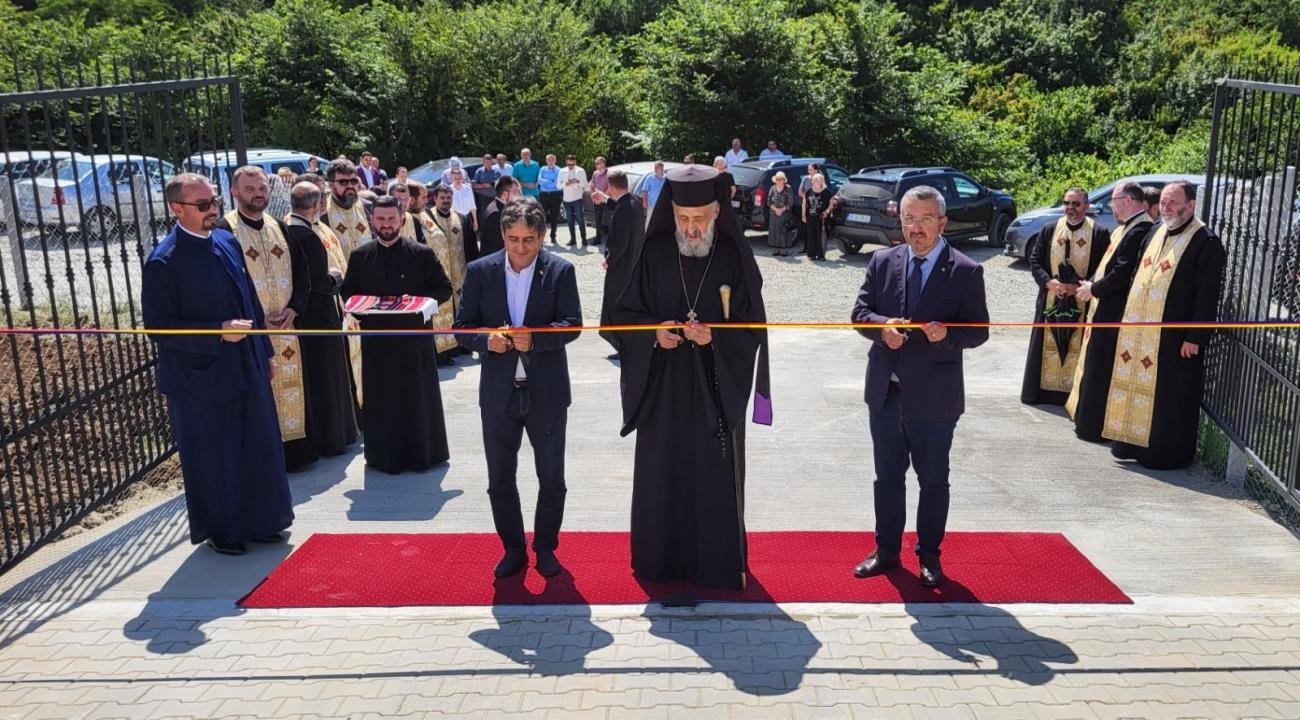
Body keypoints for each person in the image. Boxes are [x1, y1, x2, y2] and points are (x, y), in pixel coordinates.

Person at [613, 165, 773, 590]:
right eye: (683, 218)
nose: (691, 227)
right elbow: (620, 319)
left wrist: (715, 337)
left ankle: (716, 565)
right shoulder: (654, 252)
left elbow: (752, 326)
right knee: (661, 471)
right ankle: (658, 562)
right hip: (662, 386)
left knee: (712, 473)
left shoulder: (734, 256)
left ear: (717, 211)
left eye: (699, 218)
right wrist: (652, 334)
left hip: (714, 387)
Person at [142, 173, 293, 556]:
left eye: (214, 202)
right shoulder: (164, 261)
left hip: (246, 362)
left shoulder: (226, 241)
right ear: (177, 209)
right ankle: (223, 529)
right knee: (215, 454)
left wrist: (265, 351)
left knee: (257, 445)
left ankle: (263, 521)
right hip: (200, 376)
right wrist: (216, 332)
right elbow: (159, 329)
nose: (214, 211)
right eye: (204, 205)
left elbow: (249, 301)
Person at [850, 185, 990, 588]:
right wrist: (881, 329)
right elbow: (860, 313)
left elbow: (978, 331)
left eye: (926, 219)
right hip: (886, 394)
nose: (916, 228)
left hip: (935, 398)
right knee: (887, 479)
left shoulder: (965, 270)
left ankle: (929, 556)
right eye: (909, 219)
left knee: (933, 481)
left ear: (942, 223)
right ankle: (886, 551)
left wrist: (947, 335)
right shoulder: (881, 261)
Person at [454, 196, 582, 578]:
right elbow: (461, 329)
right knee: (499, 479)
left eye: (529, 239)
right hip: (498, 392)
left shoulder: (560, 271)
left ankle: (545, 547)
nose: (521, 247)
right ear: (503, 235)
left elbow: (572, 324)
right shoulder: (480, 271)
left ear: (542, 236)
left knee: (552, 477)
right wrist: (485, 340)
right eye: (513, 238)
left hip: (546, 392)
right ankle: (513, 548)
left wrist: (537, 339)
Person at [1104, 182, 1226, 469]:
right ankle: (1130, 445)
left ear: (1191, 205)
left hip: (1174, 339)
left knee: (1168, 399)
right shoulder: (1156, 232)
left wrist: (1195, 336)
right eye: (1164, 201)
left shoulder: (1205, 242)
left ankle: (1163, 455)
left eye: (1173, 202)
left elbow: (1207, 295)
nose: (1166, 206)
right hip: (1138, 335)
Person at [341, 196, 454, 473]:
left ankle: (423, 455)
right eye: (380, 219)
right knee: (382, 400)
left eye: (391, 219)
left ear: (402, 220)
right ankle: (384, 458)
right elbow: (348, 293)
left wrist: (419, 302)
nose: (386, 224)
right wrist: (361, 307)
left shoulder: (421, 253)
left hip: (414, 343)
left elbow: (443, 288)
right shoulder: (360, 255)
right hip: (377, 343)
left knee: (417, 398)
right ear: (372, 220)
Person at [216, 166, 314, 470]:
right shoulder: (224, 229)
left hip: (287, 328)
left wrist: (295, 308)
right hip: (252, 332)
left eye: (261, 188)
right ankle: (264, 459)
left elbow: (303, 270)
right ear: (234, 192)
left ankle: (296, 455)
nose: (258, 194)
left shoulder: (280, 226)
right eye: (250, 189)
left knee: (293, 389)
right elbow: (222, 283)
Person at [1066, 181, 1152, 442]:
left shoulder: (1140, 229)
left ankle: (1093, 426)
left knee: (1101, 366)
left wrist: (1094, 290)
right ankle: (1086, 420)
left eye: (1113, 201)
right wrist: (1092, 284)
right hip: (1104, 304)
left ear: (1127, 200)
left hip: (1114, 308)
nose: (1111, 207)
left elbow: (1122, 273)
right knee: (1094, 363)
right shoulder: (1127, 227)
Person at [284, 182, 359, 457]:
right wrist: (338, 276)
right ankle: (332, 438)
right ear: (316, 206)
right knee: (327, 379)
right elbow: (321, 281)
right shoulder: (308, 236)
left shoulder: (284, 230)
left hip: (304, 318)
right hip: (321, 317)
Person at [1020, 187, 1110, 406]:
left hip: (1082, 300)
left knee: (1075, 344)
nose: (1071, 208)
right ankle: (1042, 392)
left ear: (1086, 206)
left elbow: (1103, 267)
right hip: (1052, 297)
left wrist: (1078, 286)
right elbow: (1035, 260)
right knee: (1046, 344)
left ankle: (1072, 393)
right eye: (1067, 203)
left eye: (1076, 204)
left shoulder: (1098, 233)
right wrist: (1048, 282)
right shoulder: (1050, 229)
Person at [408, 180, 459, 363]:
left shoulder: (423, 215)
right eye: (423, 197)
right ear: (411, 199)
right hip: (426, 279)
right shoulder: (408, 219)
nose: (425, 201)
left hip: (438, 275)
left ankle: (446, 351)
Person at [598, 169, 644, 358]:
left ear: (612, 186)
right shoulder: (633, 202)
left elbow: (621, 241)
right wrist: (604, 199)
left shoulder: (625, 208)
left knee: (615, 304)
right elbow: (619, 206)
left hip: (622, 267)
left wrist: (610, 260)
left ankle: (622, 343)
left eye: (608, 186)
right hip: (632, 264)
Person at [325, 158, 371, 257]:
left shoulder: (368, 207)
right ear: (330, 184)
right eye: (343, 182)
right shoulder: (323, 214)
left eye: (354, 181)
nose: (350, 186)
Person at [429, 183, 476, 271]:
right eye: (442, 198)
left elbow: (472, 247)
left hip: (461, 272)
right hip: (437, 273)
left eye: (449, 197)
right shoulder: (427, 219)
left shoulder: (462, 219)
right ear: (435, 199)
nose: (446, 200)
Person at [479, 175, 520, 257]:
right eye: (515, 192)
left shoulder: (499, 208)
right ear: (505, 194)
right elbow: (496, 250)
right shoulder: (496, 214)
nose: (518, 196)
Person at [802, 173, 835, 261]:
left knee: (820, 236)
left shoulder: (826, 191)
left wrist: (827, 211)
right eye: (813, 180)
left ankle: (820, 255)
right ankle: (812, 254)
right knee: (811, 236)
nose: (814, 182)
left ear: (821, 182)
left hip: (821, 218)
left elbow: (831, 203)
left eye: (816, 180)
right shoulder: (809, 191)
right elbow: (804, 204)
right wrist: (803, 215)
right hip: (810, 217)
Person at [559, 154, 589, 247]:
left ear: (575, 162)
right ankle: (573, 240)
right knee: (570, 220)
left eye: (572, 164)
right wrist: (566, 183)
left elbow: (585, 185)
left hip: (577, 199)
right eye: (569, 164)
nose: (570, 166)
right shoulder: (562, 171)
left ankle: (584, 240)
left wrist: (578, 181)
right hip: (566, 200)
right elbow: (558, 185)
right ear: (566, 162)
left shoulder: (580, 170)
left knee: (580, 219)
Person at [765, 171, 795, 256]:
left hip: (784, 213)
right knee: (774, 231)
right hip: (773, 213)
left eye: (781, 179)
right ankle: (776, 249)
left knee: (783, 231)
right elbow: (768, 201)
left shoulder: (788, 188)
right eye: (777, 179)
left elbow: (790, 202)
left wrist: (781, 210)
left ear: (784, 180)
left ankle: (784, 250)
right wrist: (775, 210)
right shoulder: (772, 188)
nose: (779, 181)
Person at [537, 153, 563, 244]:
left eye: (552, 160)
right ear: (546, 161)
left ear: (555, 161)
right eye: (549, 160)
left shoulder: (559, 170)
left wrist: (546, 183)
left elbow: (557, 183)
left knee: (554, 216)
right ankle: (541, 237)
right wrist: (550, 181)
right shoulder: (543, 169)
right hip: (544, 195)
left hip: (555, 195)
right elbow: (540, 181)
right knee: (542, 216)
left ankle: (553, 237)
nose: (551, 161)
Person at [448, 167, 479, 233]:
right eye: (455, 178)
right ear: (452, 178)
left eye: (459, 178)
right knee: (456, 240)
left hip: (467, 220)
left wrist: (475, 221)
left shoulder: (468, 189)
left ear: (462, 178)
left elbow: (472, 206)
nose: (457, 180)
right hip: (454, 221)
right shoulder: (449, 190)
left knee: (469, 240)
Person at [589, 157, 610, 246]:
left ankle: (610, 240)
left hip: (606, 200)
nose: (596, 165)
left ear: (603, 163)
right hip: (597, 200)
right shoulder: (595, 174)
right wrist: (594, 198)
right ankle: (598, 238)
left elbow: (610, 187)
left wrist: (602, 198)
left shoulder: (609, 173)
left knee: (608, 220)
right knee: (598, 220)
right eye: (596, 163)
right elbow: (592, 186)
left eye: (598, 163)